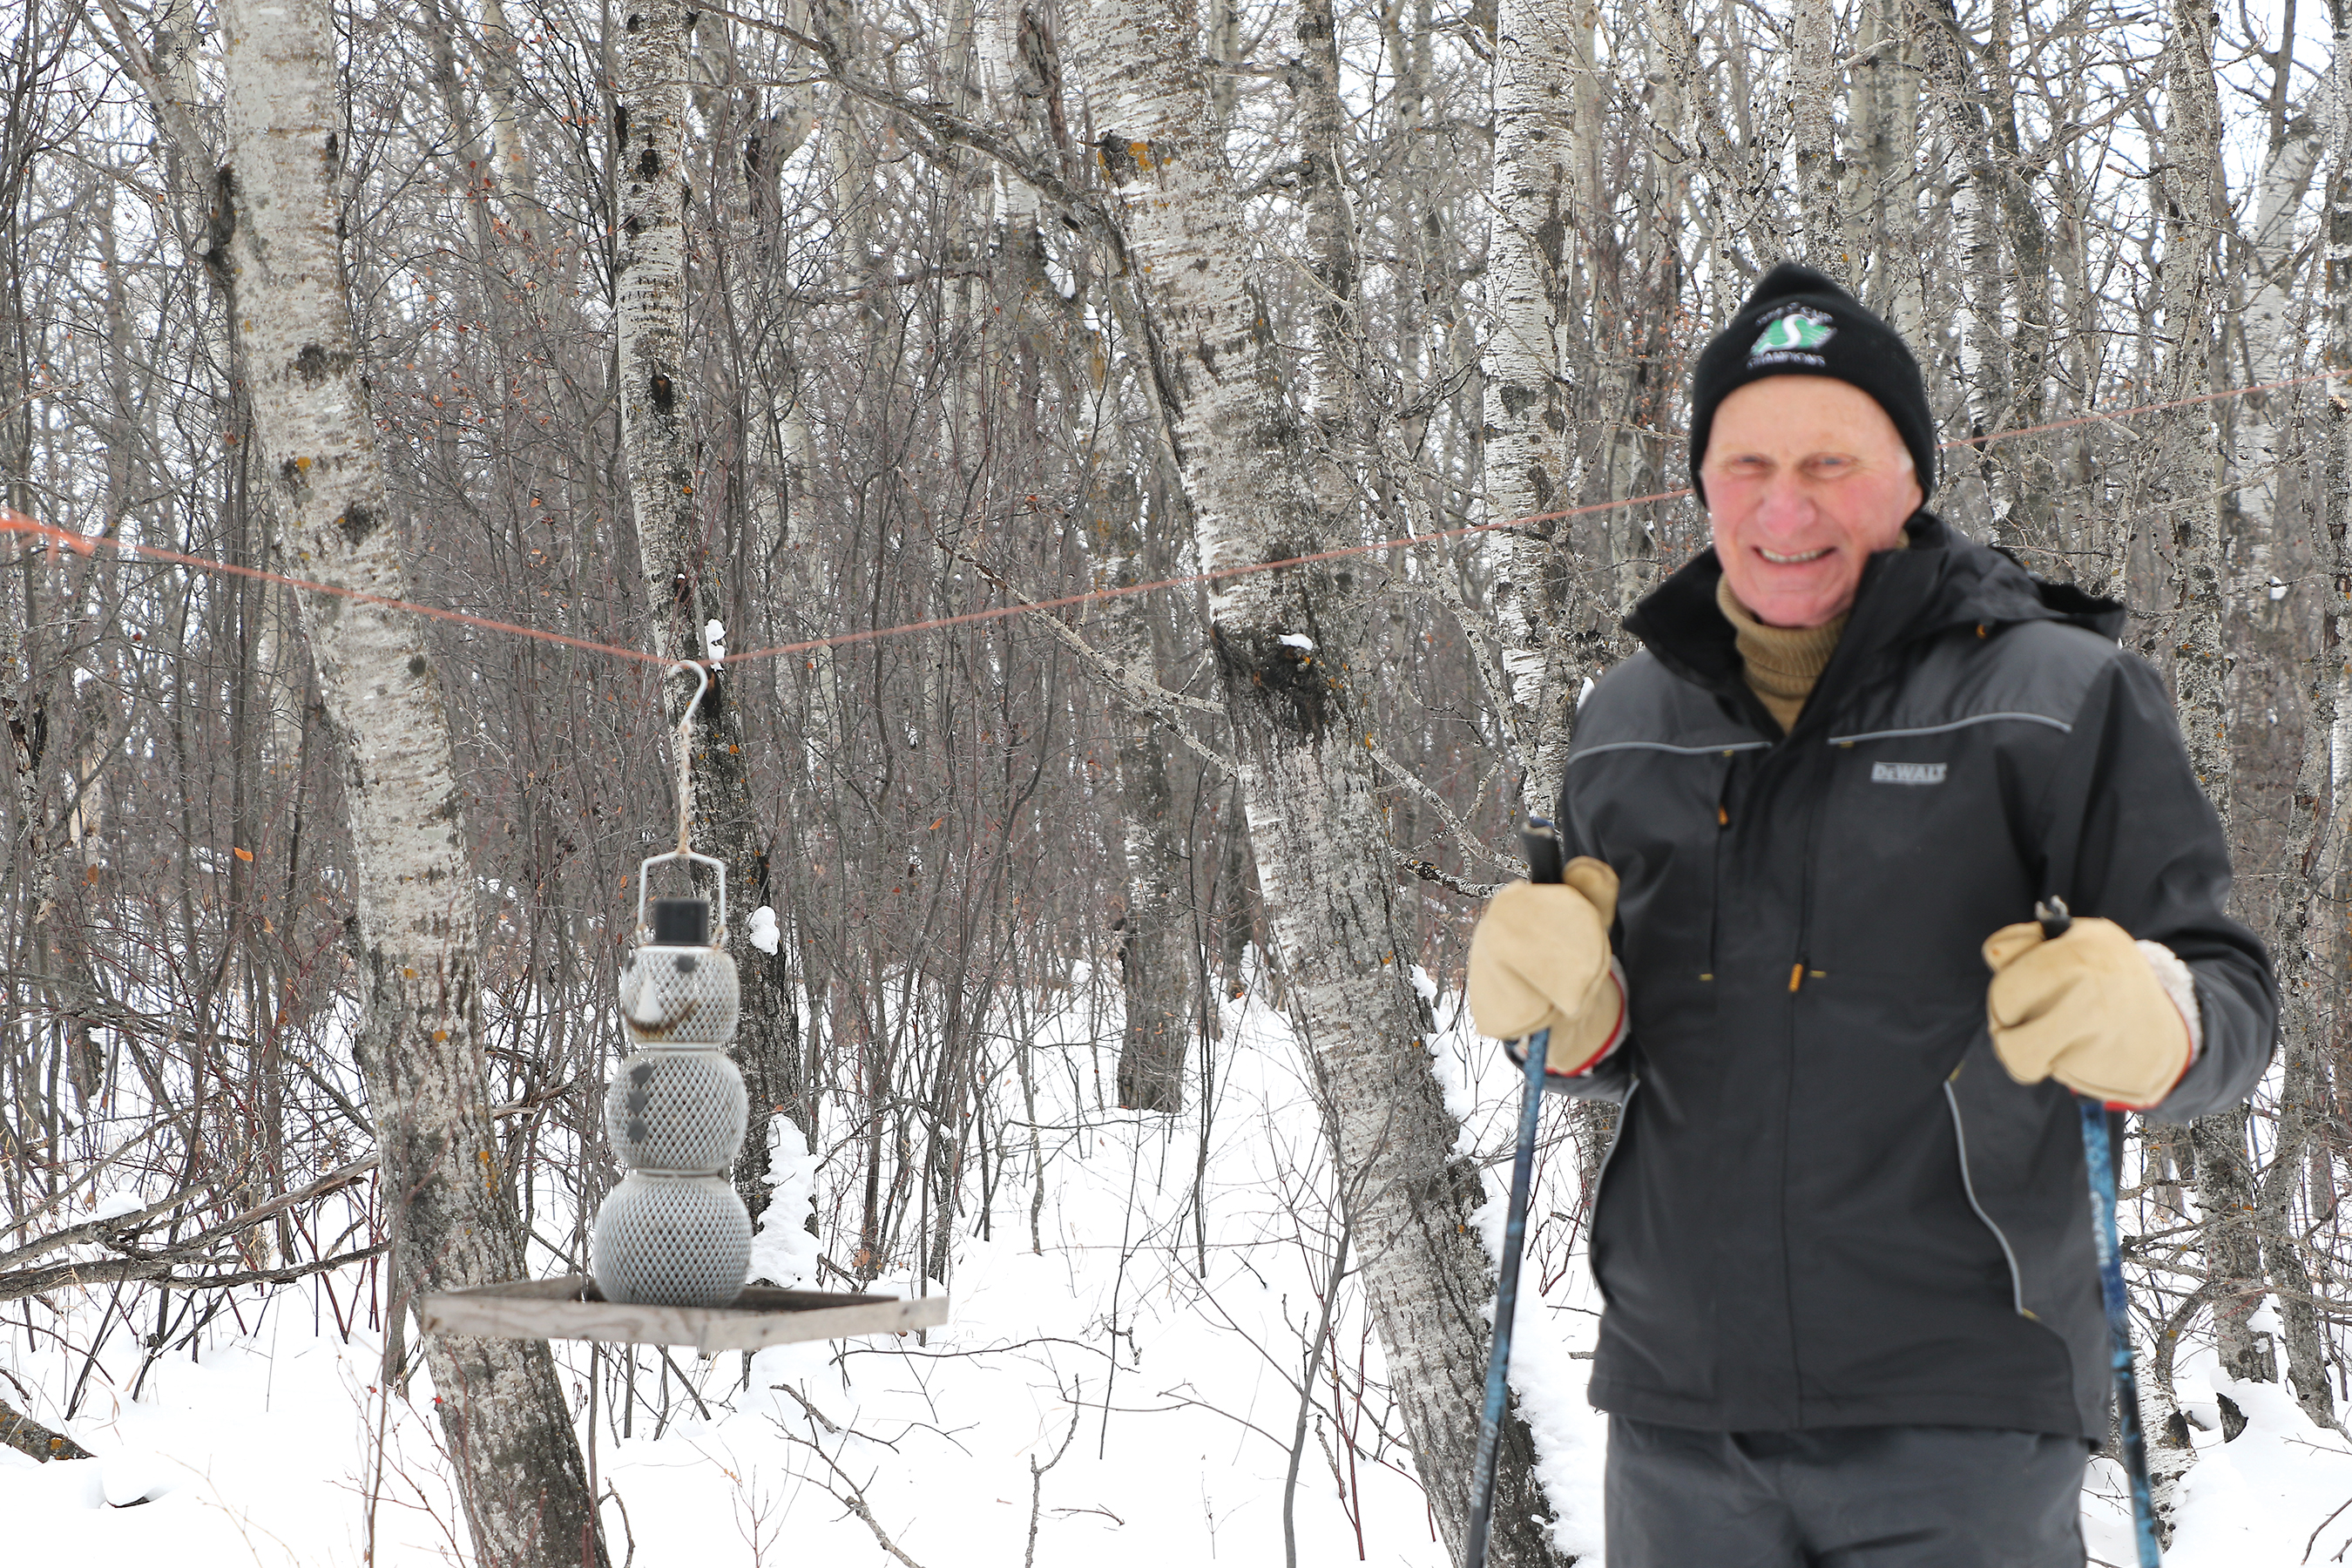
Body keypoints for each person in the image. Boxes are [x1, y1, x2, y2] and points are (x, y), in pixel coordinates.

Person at [1466, 261, 2277, 1567]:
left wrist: (2161, 1018)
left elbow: (2231, 993)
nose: (1784, 505)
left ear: (1909, 481)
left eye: (1832, 462)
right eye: (1746, 465)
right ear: (1700, 484)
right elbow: (1617, 1045)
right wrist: (1568, 1020)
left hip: (1962, 1409)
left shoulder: (2058, 695)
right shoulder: (1625, 723)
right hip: (1680, 1411)